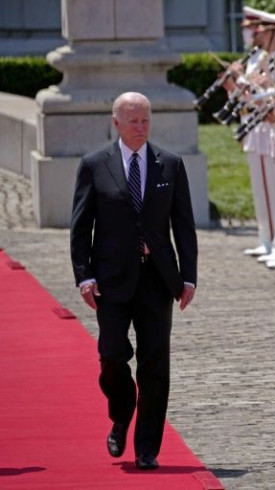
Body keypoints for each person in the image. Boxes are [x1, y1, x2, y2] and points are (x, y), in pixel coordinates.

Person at [70, 92, 198, 470]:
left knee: (155, 364)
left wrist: (188, 277)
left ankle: (147, 448)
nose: (141, 127)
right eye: (133, 121)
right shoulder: (95, 164)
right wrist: (84, 276)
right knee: (111, 356)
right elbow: (80, 227)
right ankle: (122, 412)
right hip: (110, 278)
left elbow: (184, 226)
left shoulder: (170, 164)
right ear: (116, 123)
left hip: (158, 278)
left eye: (145, 120)